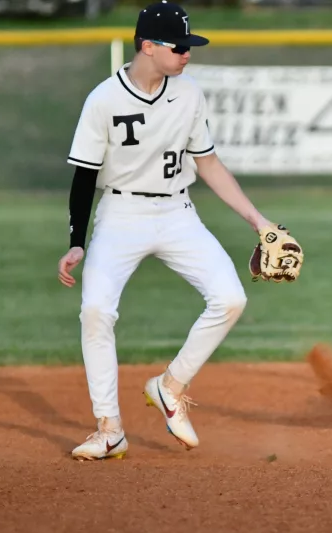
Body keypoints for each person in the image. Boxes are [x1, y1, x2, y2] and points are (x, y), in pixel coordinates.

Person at [57, 1, 276, 460]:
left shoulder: (189, 93)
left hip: (178, 212)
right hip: (121, 215)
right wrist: (76, 243)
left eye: (189, 46)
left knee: (231, 298)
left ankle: (170, 386)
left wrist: (258, 221)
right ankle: (109, 429)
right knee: (95, 311)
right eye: (178, 46)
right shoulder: (104, 99)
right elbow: (84, 175)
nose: (186, 53)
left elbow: (208, 163)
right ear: (148, 46)